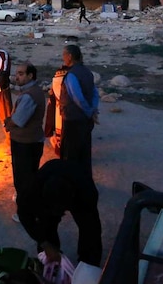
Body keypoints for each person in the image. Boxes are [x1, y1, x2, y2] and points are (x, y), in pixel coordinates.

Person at [17, 159, 102, 267]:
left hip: (77, 188)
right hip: (47, 187)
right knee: (46, 223)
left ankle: (87, 266)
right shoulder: (32, 189)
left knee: (89, 228)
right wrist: (44, 243)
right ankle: (50, 259)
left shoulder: (87, 192)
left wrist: (90, 264)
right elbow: (24, 215)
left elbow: (91, 229)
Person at [5, 62, 46, 222]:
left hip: (25, 143)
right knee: (29, 176)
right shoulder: (32, 91)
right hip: (30, 140)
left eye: (21, 73)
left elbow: (19, 120)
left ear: (30, 76)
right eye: (17, 73)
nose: (17, 76)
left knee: (23, 179)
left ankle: (25, 213)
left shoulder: (30, 95)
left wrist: (9, 123)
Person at [59, 45, 100, 176]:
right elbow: (94, 93)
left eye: (64, 55)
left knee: (71, 155)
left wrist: (88, 112)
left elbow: (78, 98)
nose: (63, 58)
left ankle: (72, 185)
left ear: (70, 56)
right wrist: (93, 110)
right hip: (85, 121)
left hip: (73, 120)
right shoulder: (87, 72)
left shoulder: (72, 75)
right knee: (84, 154)